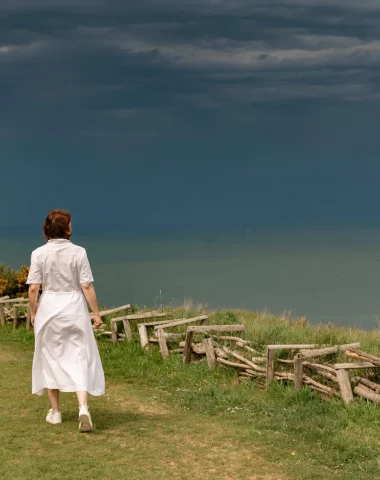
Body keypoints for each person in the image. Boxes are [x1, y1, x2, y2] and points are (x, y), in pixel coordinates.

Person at [26, 209, 105, 432]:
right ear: (67, 229)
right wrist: (96, 314)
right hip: (74, 308)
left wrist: (34, 312)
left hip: (49, 308)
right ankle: (83, 407)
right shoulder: (79, 252)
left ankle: (56, 412)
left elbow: (34, 287)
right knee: (79, 355)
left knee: (50, 357)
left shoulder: (38, 253)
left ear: (47, 229)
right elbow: (86, 286)